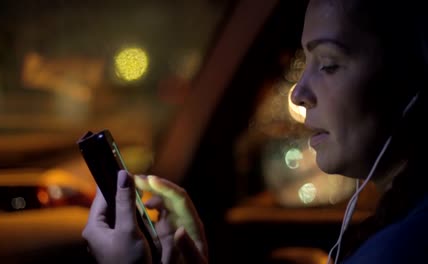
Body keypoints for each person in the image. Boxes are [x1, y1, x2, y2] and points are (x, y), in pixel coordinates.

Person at [82, 0, 428, 263]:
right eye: (302, 64)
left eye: (328, 64)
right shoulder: (401, 217)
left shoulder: (402, 247)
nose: (299, 93)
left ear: (413, 77)